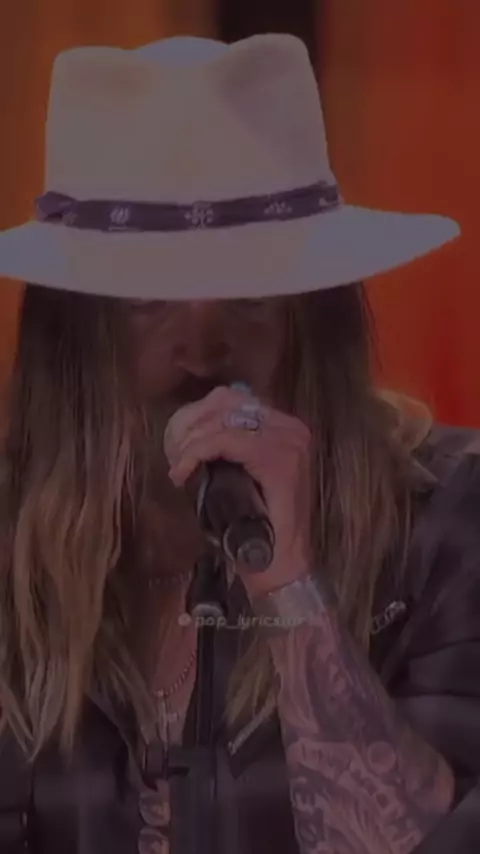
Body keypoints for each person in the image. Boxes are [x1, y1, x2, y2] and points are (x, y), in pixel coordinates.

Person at [0, 33, 479, 854]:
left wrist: (289, 584)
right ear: (73, 340)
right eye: (148, 301)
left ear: (316, 323)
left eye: (252, 295)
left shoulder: (447, 525)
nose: (202, 351)